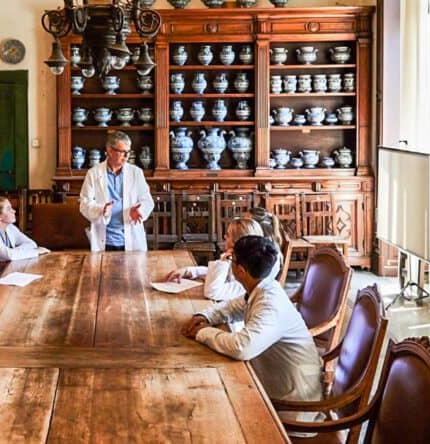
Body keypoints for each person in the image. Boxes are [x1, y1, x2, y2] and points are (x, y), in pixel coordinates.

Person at [182, 235, 322, 421]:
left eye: (232, 260)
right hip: (272, 385)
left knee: (204, 408)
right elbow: (231, 307)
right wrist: (204, 316)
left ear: (240, 271)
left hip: (291, 405)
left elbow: (242, 347)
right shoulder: (262, 287)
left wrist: (202, 332)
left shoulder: (270, 304)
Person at [79, 130, 154, 252]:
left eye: (128, 152)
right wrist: (100, 209)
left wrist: (139, 210)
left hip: (131, 238)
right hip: (104, 240)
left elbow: (148, 201)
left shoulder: (136, 173)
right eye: (122, 152)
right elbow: (84, 203)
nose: (126, 156)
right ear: (109, 150)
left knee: (133, 271)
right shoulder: (93, 173)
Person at [165, 218, 267, 302]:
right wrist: (189, 271)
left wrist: (224, 261)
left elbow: (212, 291)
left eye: (228, 235)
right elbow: (218, 275)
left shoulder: (246, 278)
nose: (224, 237)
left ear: (237, 243)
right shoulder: (241, 262)